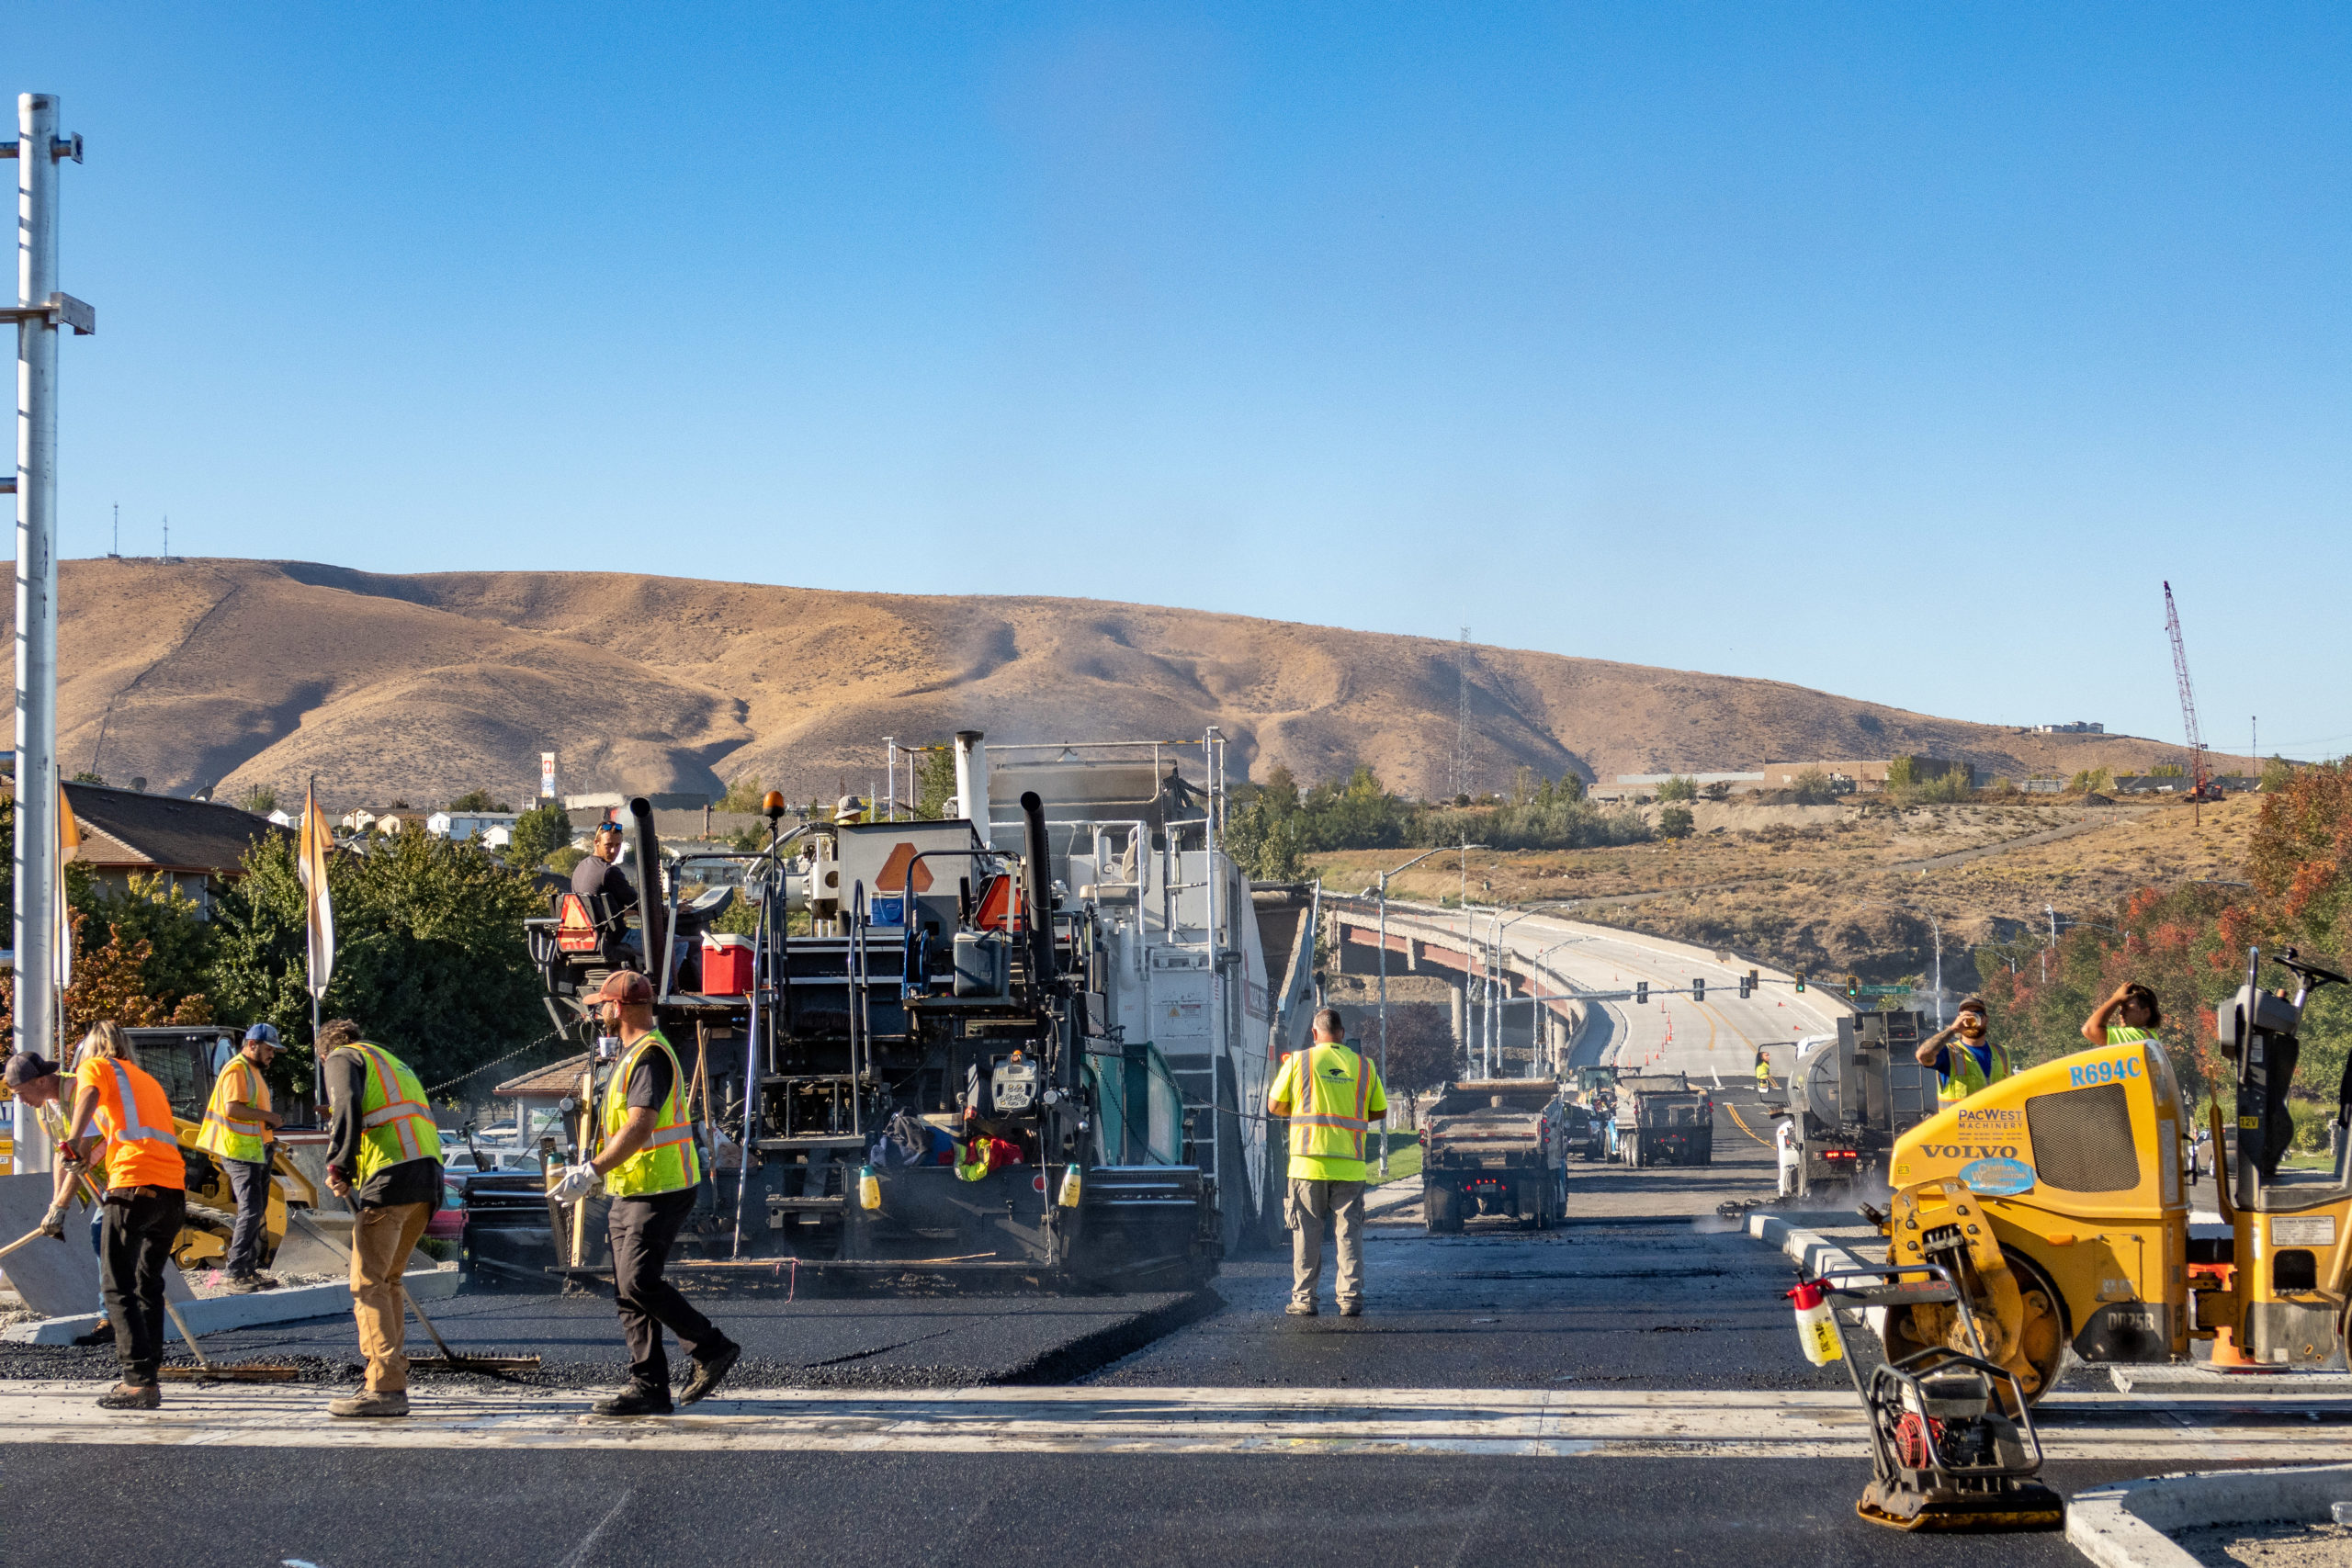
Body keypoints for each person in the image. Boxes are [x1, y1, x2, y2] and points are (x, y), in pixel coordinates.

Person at [550, 970, 740, 1415]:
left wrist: (591, 1171)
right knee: (626, 1288)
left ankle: (712, 1348)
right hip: (634, 1187)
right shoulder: (631, 1054)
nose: (595, 1012)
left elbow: (640, 1124)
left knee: (637, 1281)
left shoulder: (649, 1056)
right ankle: (649, 1386)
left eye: (600, 1005)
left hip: (660, 1186)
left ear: (618, 1008)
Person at [30, 1023, 188, 1410]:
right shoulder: (145, 1080)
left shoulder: (97, 1067)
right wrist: (83, 1151)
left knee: (117, 1286)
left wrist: (72, 1139)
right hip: (172, 1192)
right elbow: (125, 1132)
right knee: (147, 1283)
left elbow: (87, 1095)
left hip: (133, 1187)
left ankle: (138, 1382)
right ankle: (150, 1369)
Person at [316, 1018, 444, 1418]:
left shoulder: (341, 1057)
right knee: (388, 1280)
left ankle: (385, 1387)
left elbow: (345, 1106)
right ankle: (389, 1376)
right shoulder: (390, 1061)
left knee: (367, 1283)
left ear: (326, 1051)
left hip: (392, 1177)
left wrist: (339, 1166)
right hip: (426, 1178)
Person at [1266, 1007, 1387, 1319]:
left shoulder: (1299, 1061)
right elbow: (1379, 1111)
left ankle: (1304, 1300)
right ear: (1342, 1034)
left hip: (1308, 1165)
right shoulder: (1363, 1066)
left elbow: (1275, 1105)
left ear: (1315, 1033)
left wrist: (1297, 1110)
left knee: (1306, 1233)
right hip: (1349, 1165)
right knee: (1348, 1234)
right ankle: (1350, 1299)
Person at [195, 1022, 286, 1292]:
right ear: (252, 1045)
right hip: (239, 1151)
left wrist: (268, 1132)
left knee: (256, 1210)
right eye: (269, 1049)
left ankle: (246, 1270)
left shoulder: (251, 1071)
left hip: (255, 1150)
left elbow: (249, 1113)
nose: (272, 1055)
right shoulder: (237, 1069)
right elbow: (233, 1108)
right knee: (251, 1210)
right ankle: (234, 1271)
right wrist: (269, 1118)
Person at [1915, 996, 2011, 1105]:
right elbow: (1922, 1055)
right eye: (1966, 1016)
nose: (1972, 1020)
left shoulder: (2001, 1052)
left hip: (1997, 1121)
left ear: (1986, 1019)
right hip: (1958, 1122)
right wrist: (1953, 1029)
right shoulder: (1949, 1053)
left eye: (1978, 1014)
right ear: (1958, 1019)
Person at [571, 820, 638, 916]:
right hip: (610, 930)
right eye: (608, 845)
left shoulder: (580, 867)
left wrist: (627, 912)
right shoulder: (609, 872)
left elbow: (596, 912)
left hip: (587, 929)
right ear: (596, 842)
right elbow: (637, 903)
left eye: (617, 845)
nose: (613, 850)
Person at [2084, 982, 2162, 1048]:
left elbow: (2089, 1029)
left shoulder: (2135, 1036)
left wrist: (2116, 999)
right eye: (2120, 1008)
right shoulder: (2149, 1036)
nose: (2121, 1013)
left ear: (2146, 1012)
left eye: (2127, 1008)